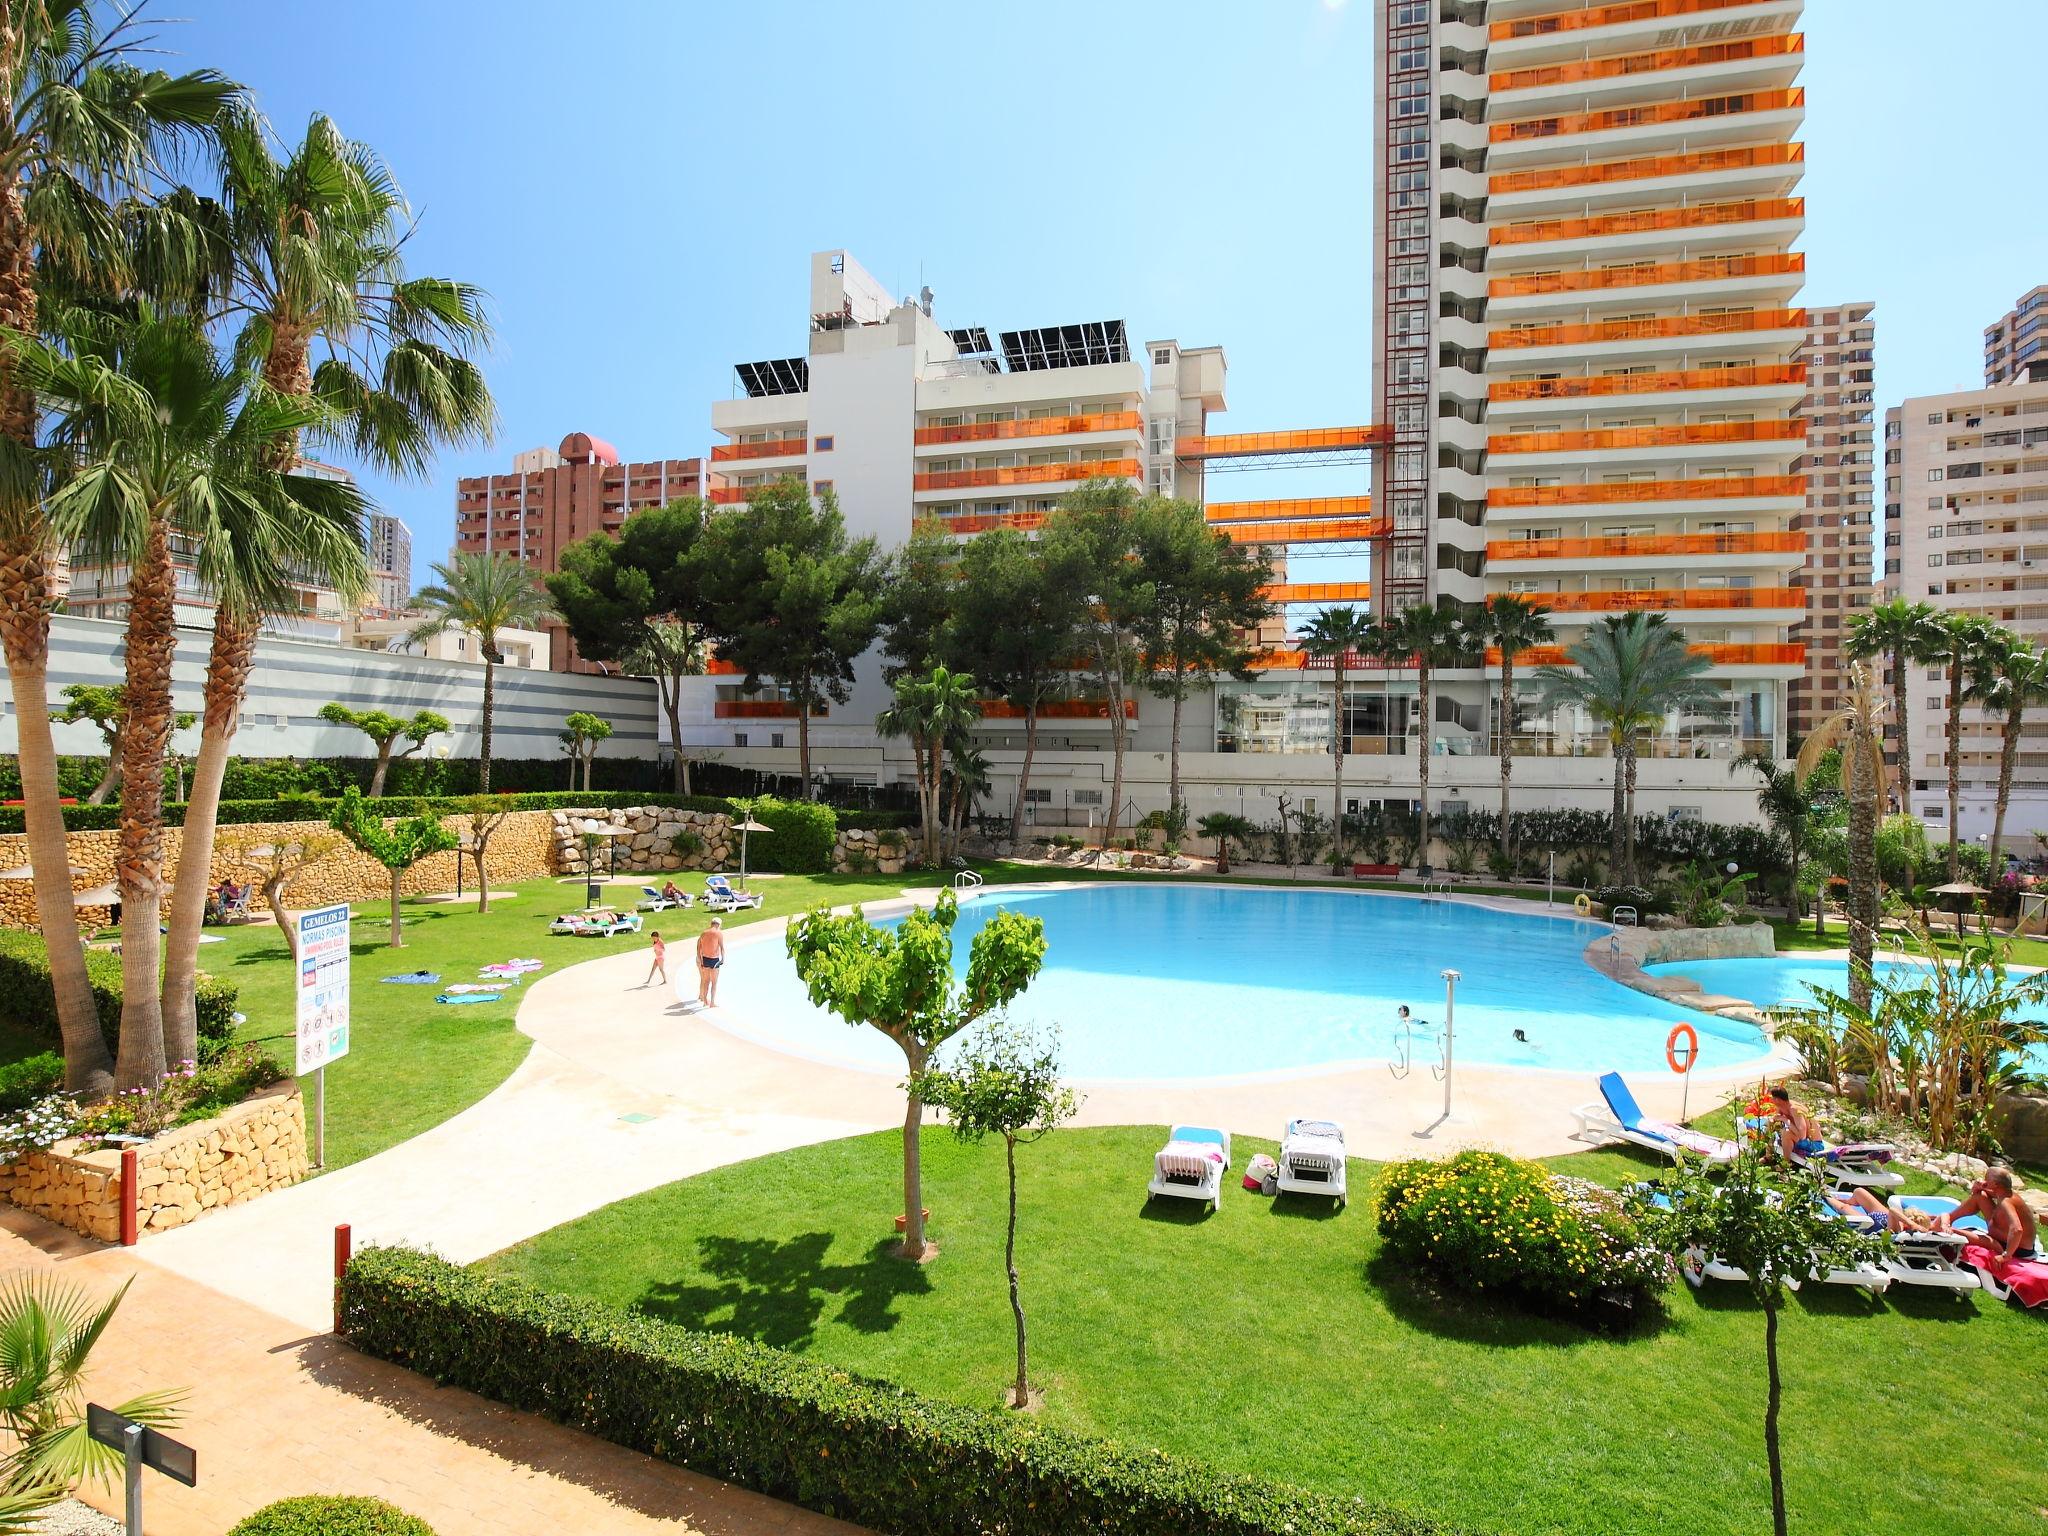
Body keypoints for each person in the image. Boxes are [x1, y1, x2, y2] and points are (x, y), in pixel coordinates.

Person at [1937, 1167, 2039, 1260]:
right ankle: (1950, 1218)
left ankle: (1947, 1227)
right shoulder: (2004, 1193)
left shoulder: (2006, 1202)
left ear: (1995, 1184)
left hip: (2016, 1249)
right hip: (2002, 1235)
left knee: (1955, 1232)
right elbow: (1978, 1195)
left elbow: (2017, 1229)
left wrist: (2006, 1255)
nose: (1984, 1181)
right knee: (1979, 1196)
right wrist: (1977, 1188)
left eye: (1986, 1179)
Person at [1824, 1187, 1936, 1233]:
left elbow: (1893, 1210)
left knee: (1844, 1208)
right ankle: (1851, 1201)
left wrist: (1911, 1223)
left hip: (1871, 1223)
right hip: (1882, 1215)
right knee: (1859, 1191)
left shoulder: (1898, 1230)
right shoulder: (1903, 1223)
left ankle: (1825, 1194)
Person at [1765, 1085, 1823, 1162]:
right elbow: (1775, 1119)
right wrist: (1773, 1121)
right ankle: (1768, 1156)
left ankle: (1786, 1164)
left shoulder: (1794, 1109)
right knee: (1771, 1124)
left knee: (1787, 1133)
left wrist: (1785, 1120)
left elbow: (1802, 1135)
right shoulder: (1782, 1106)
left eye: (1771, 1098)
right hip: (1803, 1140)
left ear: (1777, 1099)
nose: (1769, 1100)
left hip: (1814, 1144)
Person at [696, 917, 725, 1006]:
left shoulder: (703, 933)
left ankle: (705, 1001)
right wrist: (723, 959)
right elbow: (722, 947)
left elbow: (698, 948)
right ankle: (712, 1002)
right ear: (718, 924)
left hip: (705, 959)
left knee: (706, 981)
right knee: (714, 982)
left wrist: (700, 961)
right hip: (714, 960)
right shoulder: (718, 933)